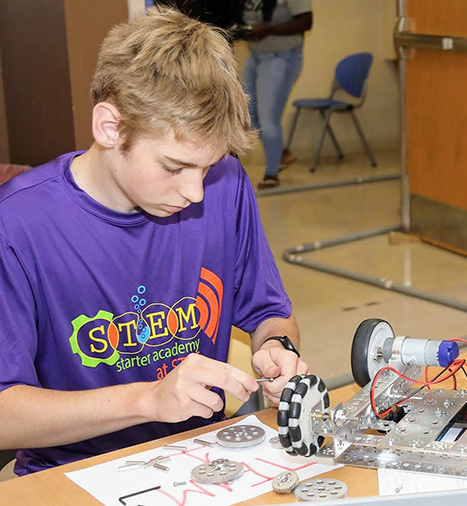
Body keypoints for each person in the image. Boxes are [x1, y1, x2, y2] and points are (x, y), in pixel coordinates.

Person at [0, 8, 308, 475]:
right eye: (174, 166)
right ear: (110, 127)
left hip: (204, 458)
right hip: (74, 473)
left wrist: (278, 350)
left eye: (207, 166)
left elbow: (270, 314)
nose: (195, 192)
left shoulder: (225, 185)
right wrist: (149, 399)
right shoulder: (18, 224)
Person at [238, 0, 313, 190]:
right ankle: (281, 152)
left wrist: (268, 30)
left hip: (281, 57)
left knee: (268, 118)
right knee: (247, 116)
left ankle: (271, 174)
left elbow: (306, 22)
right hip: (255, 56)